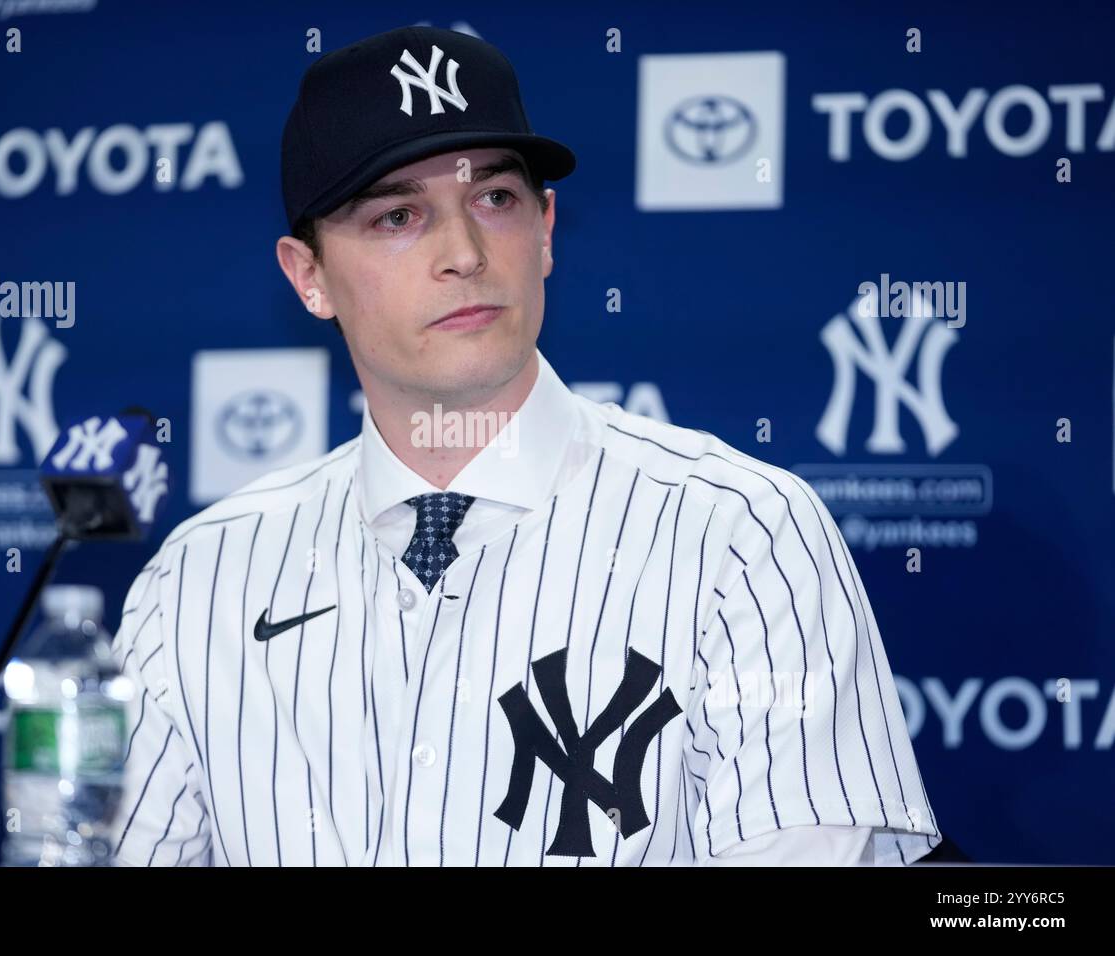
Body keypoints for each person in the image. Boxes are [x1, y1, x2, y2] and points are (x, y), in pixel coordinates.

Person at [109, 24, 942, 866]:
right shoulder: (200, 578)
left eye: (495, 200)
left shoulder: (742, 535)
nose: (465, 254)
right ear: (308, 276)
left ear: (546, 229)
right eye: (399, 215)